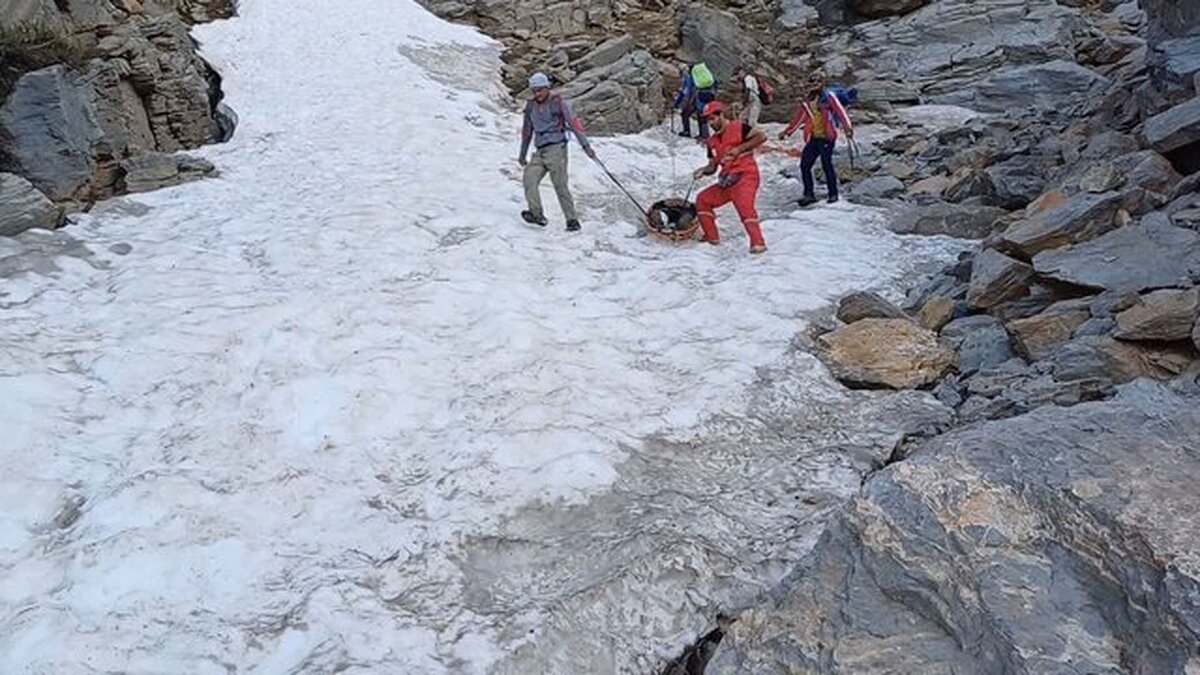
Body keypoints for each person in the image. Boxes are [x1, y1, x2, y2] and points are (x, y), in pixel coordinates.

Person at [519, 72, 595, 232]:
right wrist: (522, 153)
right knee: (529, 179)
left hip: (557, 148)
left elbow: (574, 123)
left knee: (560, 185)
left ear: (547, 88)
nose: (537, 94)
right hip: (540, 150)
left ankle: (572, 220)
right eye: (534, 91)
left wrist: (586, 146)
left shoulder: (558, 103)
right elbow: (527, 130)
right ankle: (537, 215)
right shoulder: (531, 106)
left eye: (540, 90)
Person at [691, 101, 768, 254]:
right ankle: (711, 237)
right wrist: (703, 171)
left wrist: (739, 149)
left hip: (746, 175)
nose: (710, 123)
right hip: (727, 181)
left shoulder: (739, 127)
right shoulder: (711, 142)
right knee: (702, 200)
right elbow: (712, 167)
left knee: (744, 206)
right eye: (708, 120)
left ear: (721, 114)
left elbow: (761, 137)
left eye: (712, 118)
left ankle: (758, 243)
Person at [778, 83, 854, 206]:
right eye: (811, 84)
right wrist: (787, 132)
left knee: (826, 164)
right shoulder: (807, 101)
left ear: (821, 84)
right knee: (805, 165)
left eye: (816, 84)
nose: (812, 87)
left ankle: (833, 194)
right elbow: (799, 118)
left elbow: (840, 112)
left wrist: (848, 128)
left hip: (826, 137)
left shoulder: (829, 96)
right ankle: (809, 194)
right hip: (813, 137)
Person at [672, 63, 718, 139]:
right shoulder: (703, 73)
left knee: (696, 114)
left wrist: (677, 103)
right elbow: (715, 82)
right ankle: (703, 135)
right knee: (702, 114)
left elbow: (685, 91)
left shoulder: (690, 76)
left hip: (699, 97)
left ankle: (699, 135)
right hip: (710, 95)